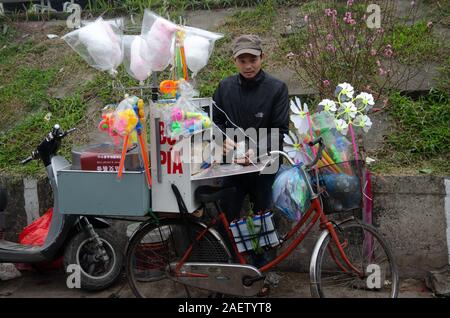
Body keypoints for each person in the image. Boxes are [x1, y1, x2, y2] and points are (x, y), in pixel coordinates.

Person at [212, 34, 289, 296]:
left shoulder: (277, 89)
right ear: (235, 61)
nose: (248, 65)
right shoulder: (224, 88)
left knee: (263, 218)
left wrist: (255, 151)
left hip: (264, 165)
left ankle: (262, 273)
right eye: (242, 60)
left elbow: (280, 130)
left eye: (253, 59)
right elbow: (215, 124)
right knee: (227, 217)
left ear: (261, 58)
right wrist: (221, 142)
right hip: (232, 167)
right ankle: (232, 271)